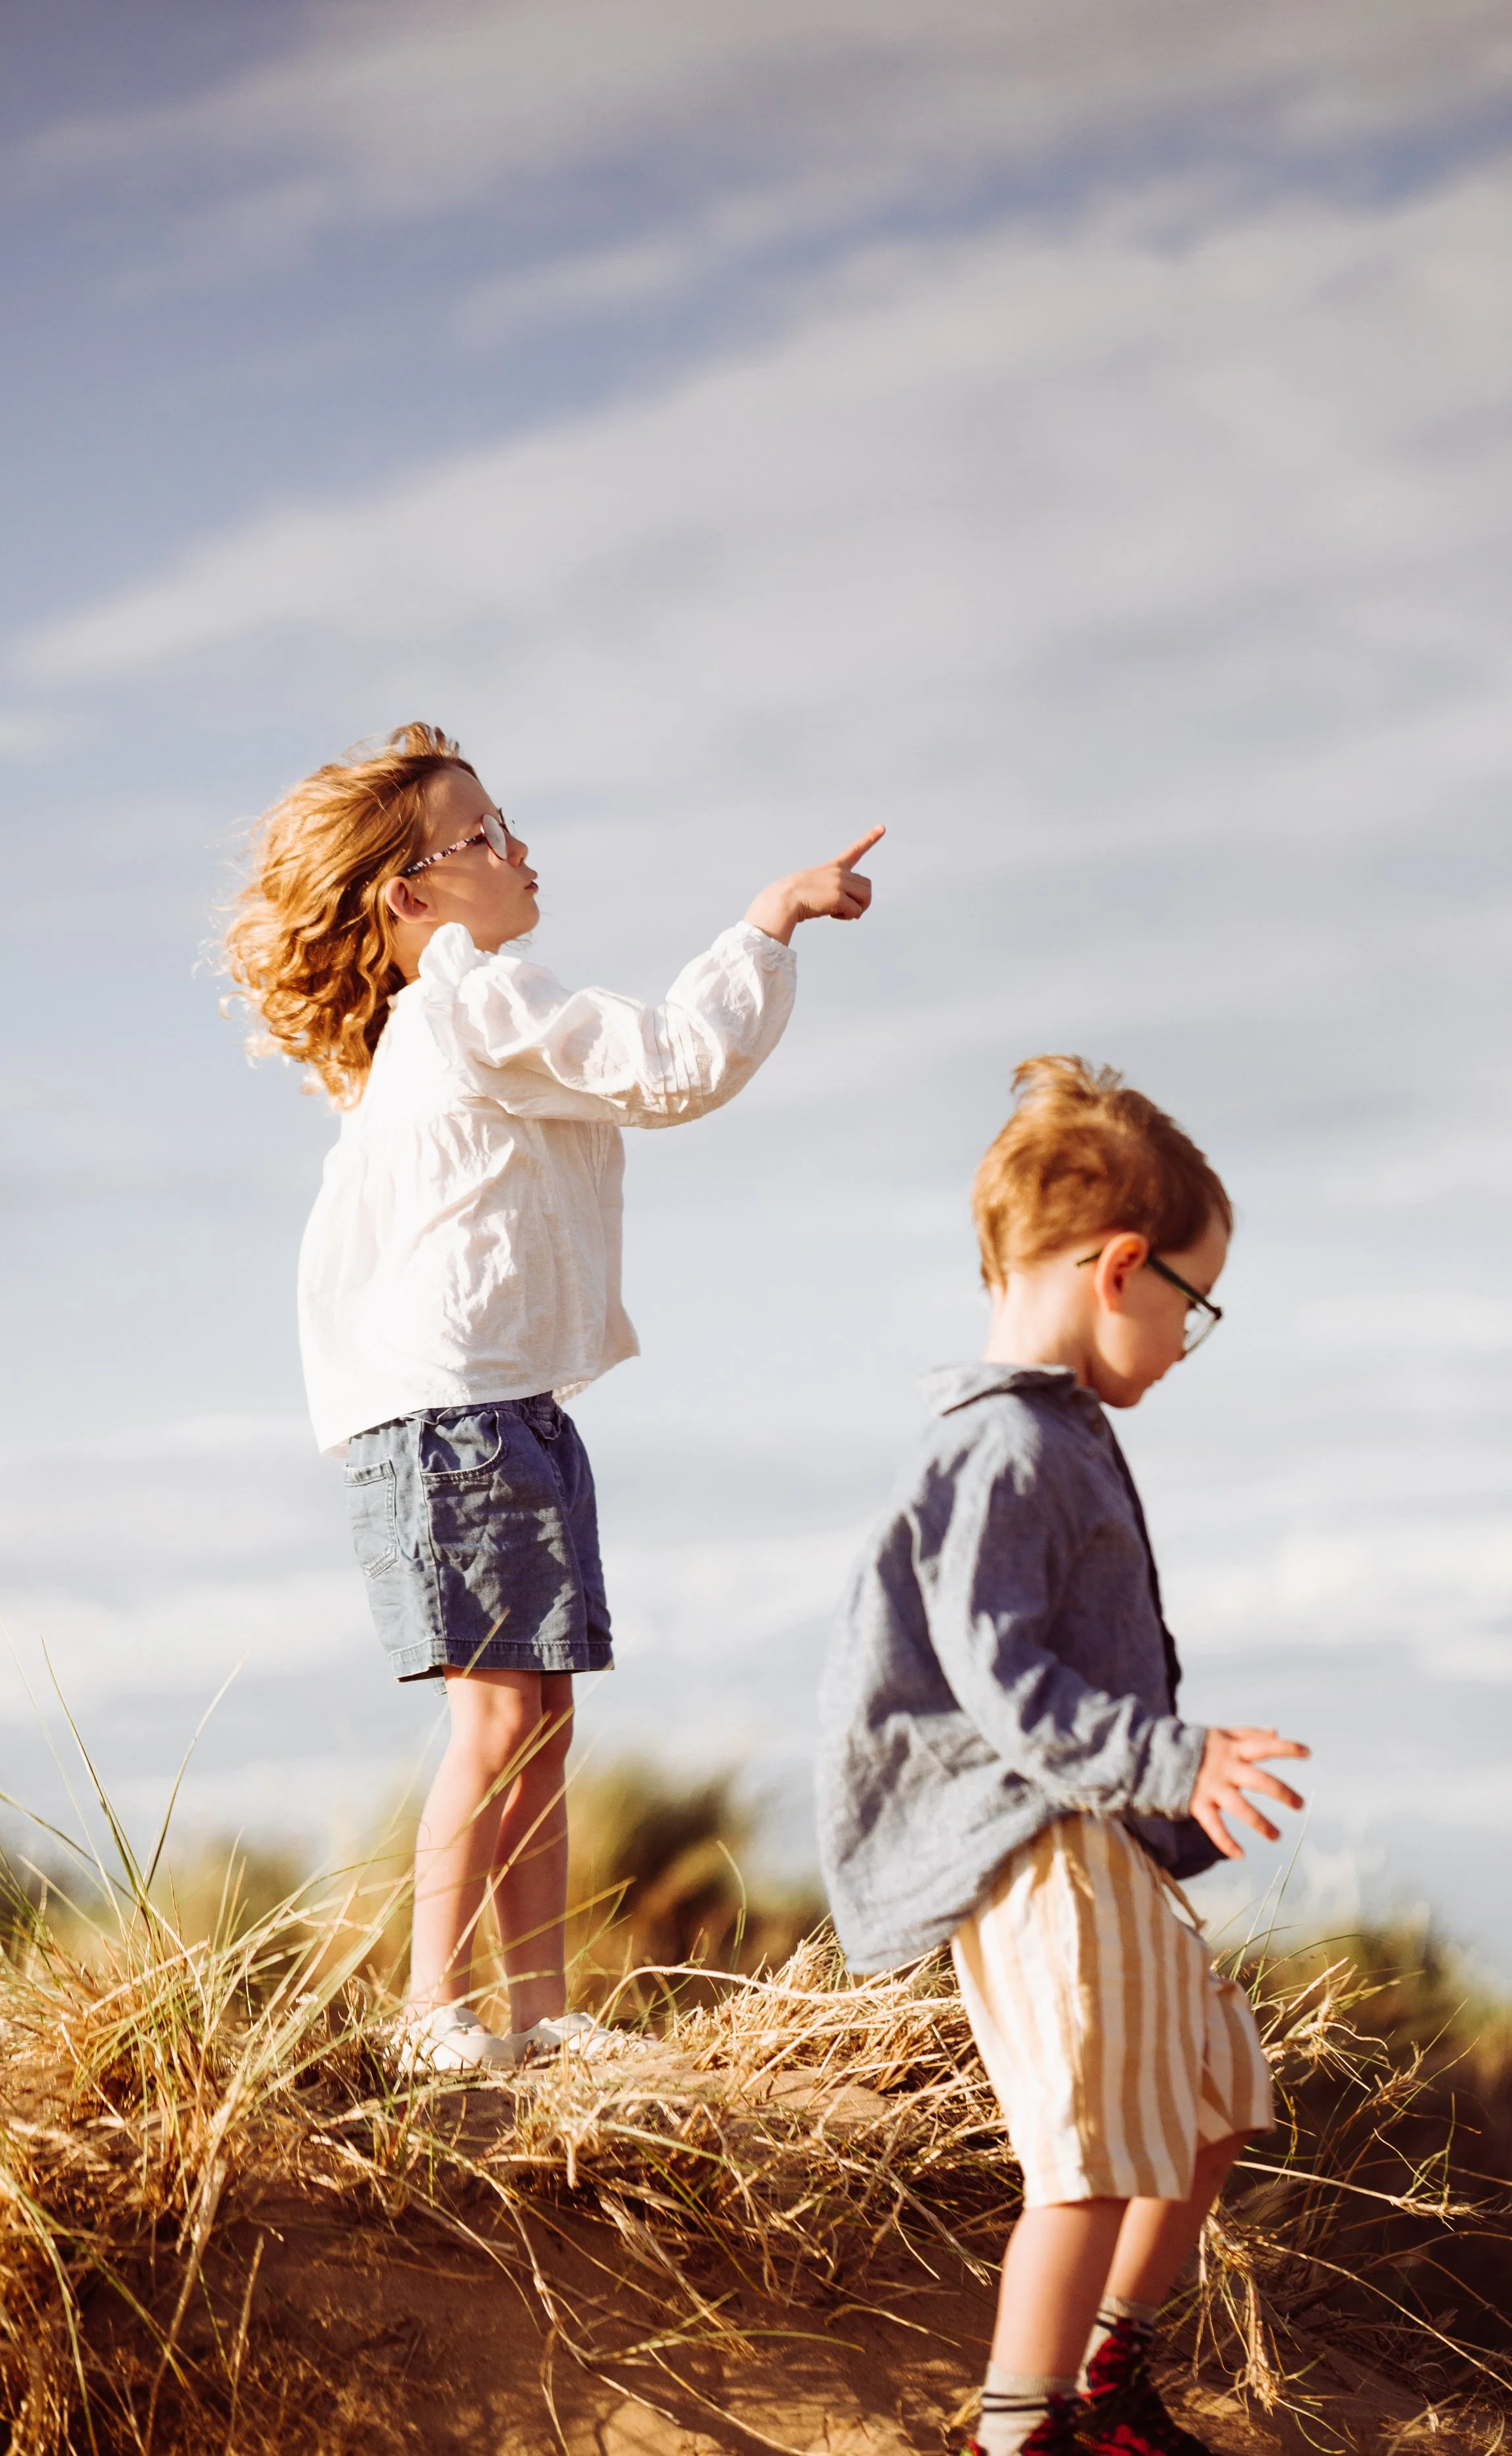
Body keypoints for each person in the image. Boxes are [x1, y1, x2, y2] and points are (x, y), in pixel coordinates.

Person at [227, 720, 881, 2074]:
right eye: (480, 837)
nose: (518, 850)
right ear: (410, 895)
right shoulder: (468, 998)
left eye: (503, 820)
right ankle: (431, 2012)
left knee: (541, 1712)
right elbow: (672, 1067)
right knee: (500, 1715)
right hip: (450, 1413)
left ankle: (534, 2014)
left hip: (496, 1405)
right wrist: (764, 927)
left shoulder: (451, 1020)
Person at [816, 1056, 1309, 2456]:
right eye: (1191, 1308)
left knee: (1212, 2101)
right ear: (1120, 1268)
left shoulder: (1059, 1437)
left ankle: (1103, 2376)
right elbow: (1001, 1679)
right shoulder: (1001, 1450)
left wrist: (1167, 1805)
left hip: (1094, 1840)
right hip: (1024, 1847)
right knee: (1083, 2161)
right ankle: (1014, 2431)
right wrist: (1168, 1760)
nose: (1184, 1338)